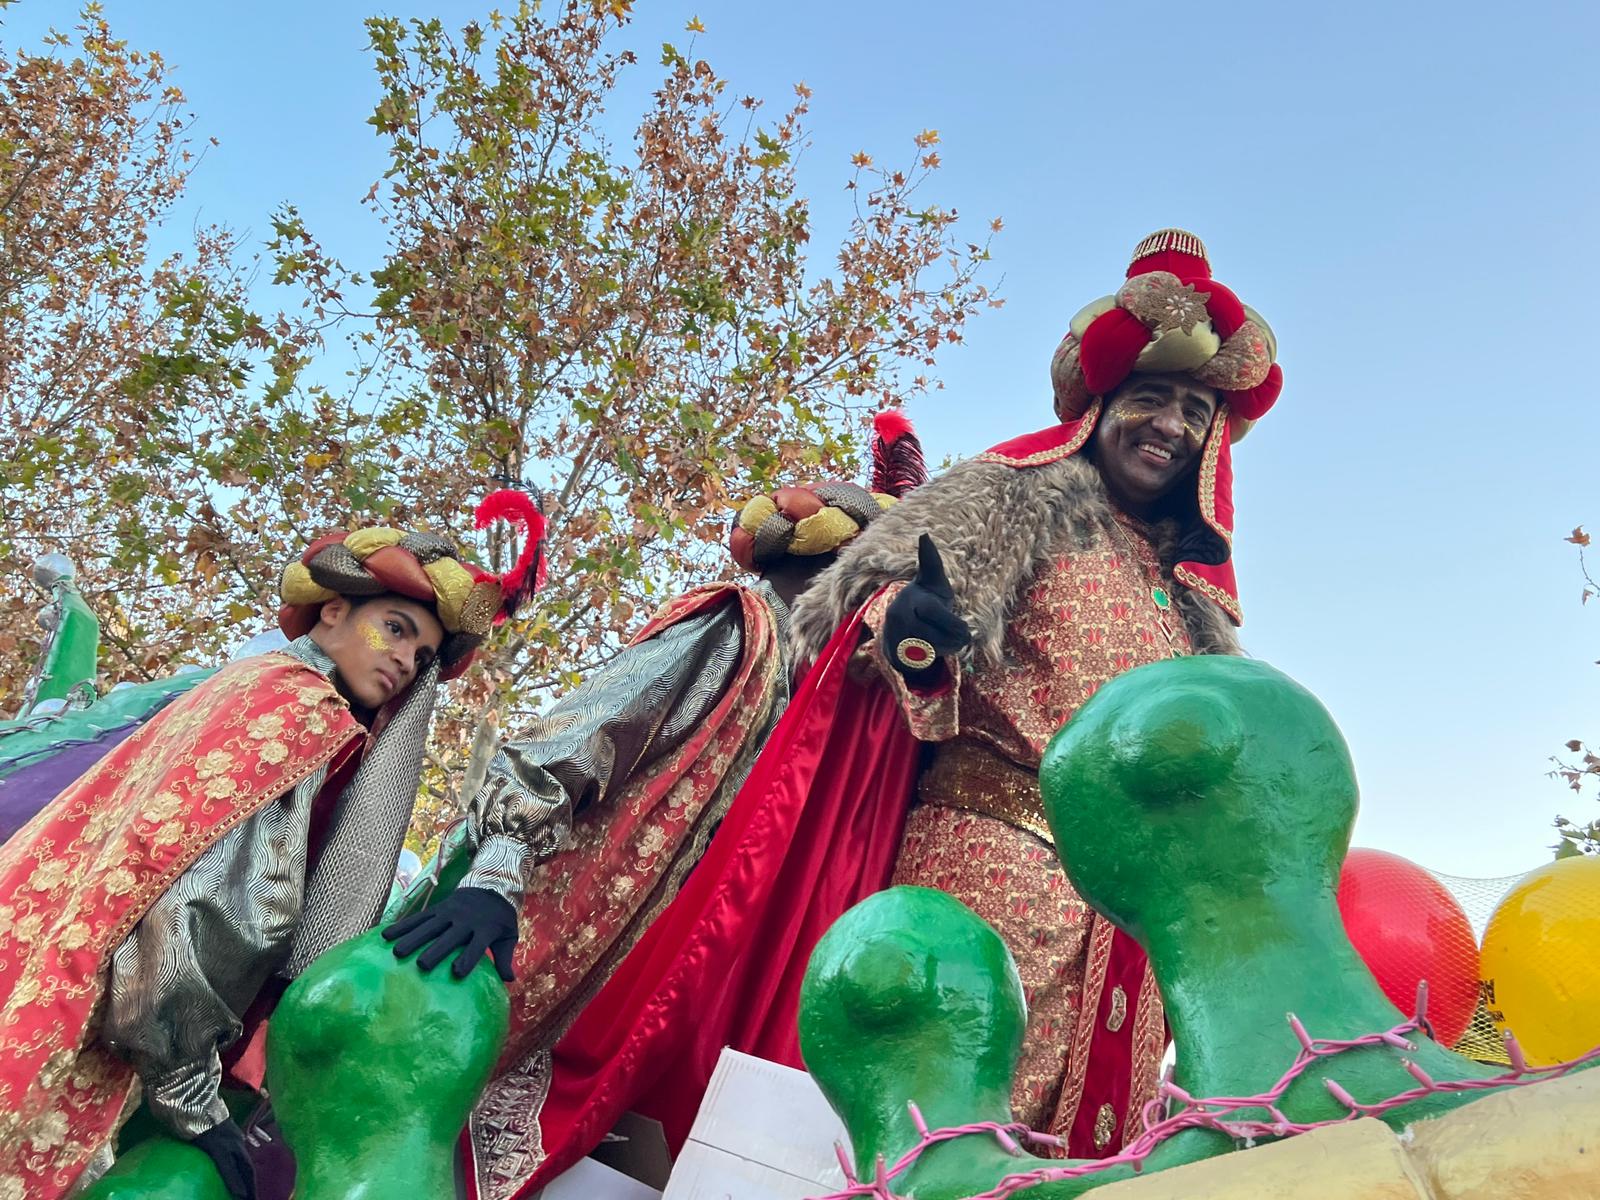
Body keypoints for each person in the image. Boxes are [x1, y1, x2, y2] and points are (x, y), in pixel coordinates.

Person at [517, 228, 1284, 1190]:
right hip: (989, 863)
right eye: (1147, 398)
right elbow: (871, 605)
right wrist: (914, 627)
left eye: (1192, 409)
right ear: (1100, 406)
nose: (1168, 424)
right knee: (939, 1128)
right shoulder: (1016, 495)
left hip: (1128, 934)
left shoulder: (1198, 601)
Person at [389, 414, 926, 1199]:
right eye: (876, 583)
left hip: (682, 974)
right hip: (565, 944)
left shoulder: (843, 718)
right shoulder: (736, 628)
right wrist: (494, 878)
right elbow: (572, 739)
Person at [0, 492, 546, 1200]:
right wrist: (191, 1097)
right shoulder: (301, 711)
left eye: (421, 654)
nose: (406, 662)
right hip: (62, 1021)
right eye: (395, 628)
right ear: (331, 611)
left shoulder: (241, 688)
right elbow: (205, 902)